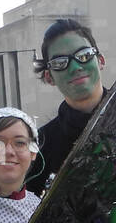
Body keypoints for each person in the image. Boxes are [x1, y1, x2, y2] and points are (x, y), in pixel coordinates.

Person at [29, 19, 106, 194]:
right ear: (49, 77)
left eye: (84, 55)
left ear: (100, 61)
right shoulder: (41, 146)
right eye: (60, 62)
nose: (76, 66)